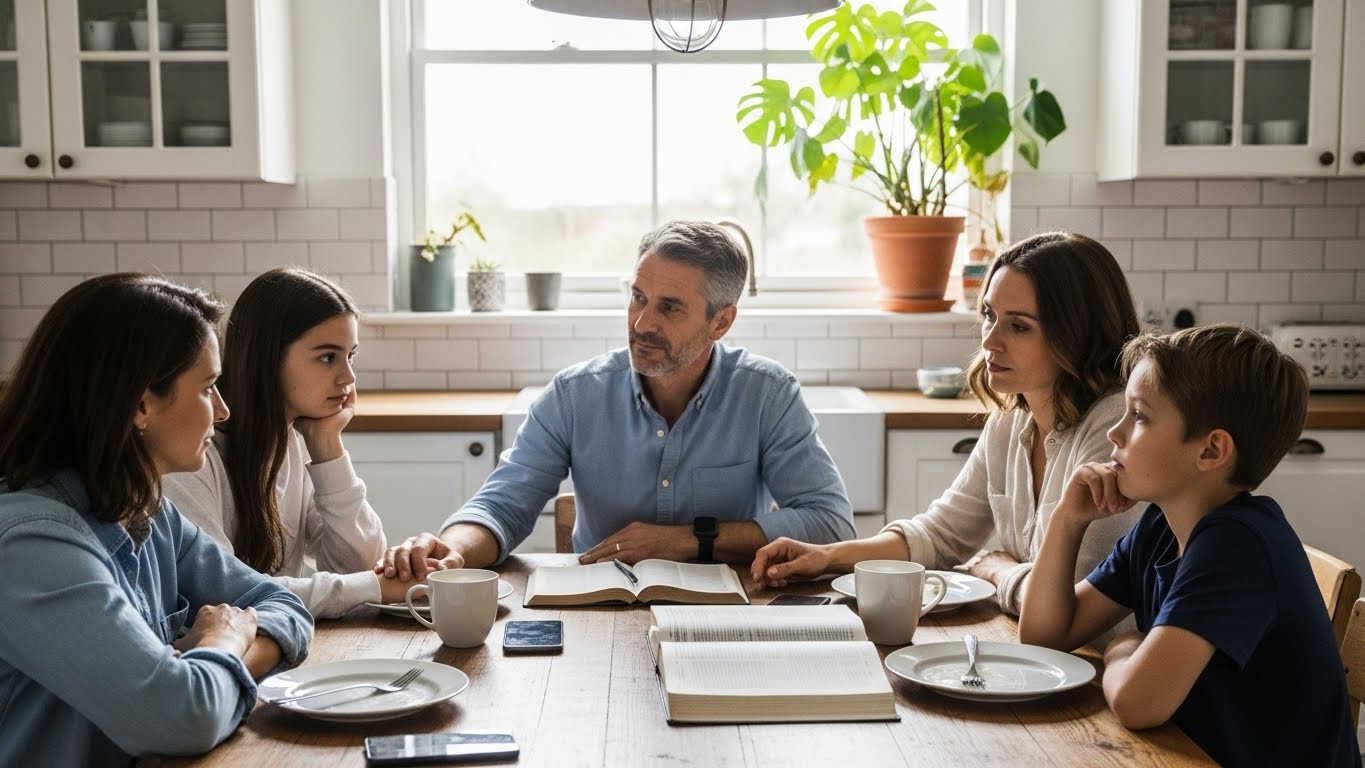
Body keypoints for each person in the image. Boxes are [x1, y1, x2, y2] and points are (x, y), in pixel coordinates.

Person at [379, 219, 854, 578]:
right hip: (597, 615)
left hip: (728, 614)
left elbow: (831, 524)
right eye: (637, 298)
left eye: (669, 307)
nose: (642, 323)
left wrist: (689, 541)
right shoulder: (573, 395)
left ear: (721, 322)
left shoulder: (767, 394)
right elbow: (502, 505)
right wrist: (453, 549)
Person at [0, 274, 312, 766]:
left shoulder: (147, 511)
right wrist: (226, 641)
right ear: (141, 404)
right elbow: (183, 719)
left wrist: (205, 671)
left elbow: (282, 605)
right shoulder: (30, 545)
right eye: (209, 388)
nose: (225, 411)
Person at [751, 232, 1145, 617]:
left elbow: (1073, 599)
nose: (990, 341)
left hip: (1099, 664)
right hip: (1039, 651)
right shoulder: (1011, 420)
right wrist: (825, 557)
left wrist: (998, 571)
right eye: (990, 315)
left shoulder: (1116, 428)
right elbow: (941, 535)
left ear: (1078, 334)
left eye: (1019, 326)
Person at [1019, 325, 1357, 766]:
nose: (1115, 434)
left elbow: (1138, 704)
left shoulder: (1238, 545)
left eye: (1139, 416)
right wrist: (1068, 521)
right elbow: (1044, 637)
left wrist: (1121, 646)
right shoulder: (1160, 526)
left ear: (1211, 451)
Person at [164, 267, 399, 619]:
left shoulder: (294, 437)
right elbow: (231, 595)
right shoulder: (193, 455)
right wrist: (379, 586)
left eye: (351, 355)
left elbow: (358, 566)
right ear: (268, 357)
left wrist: (327, 446)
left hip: (279, 641)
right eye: (327, 357)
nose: (348, 378)